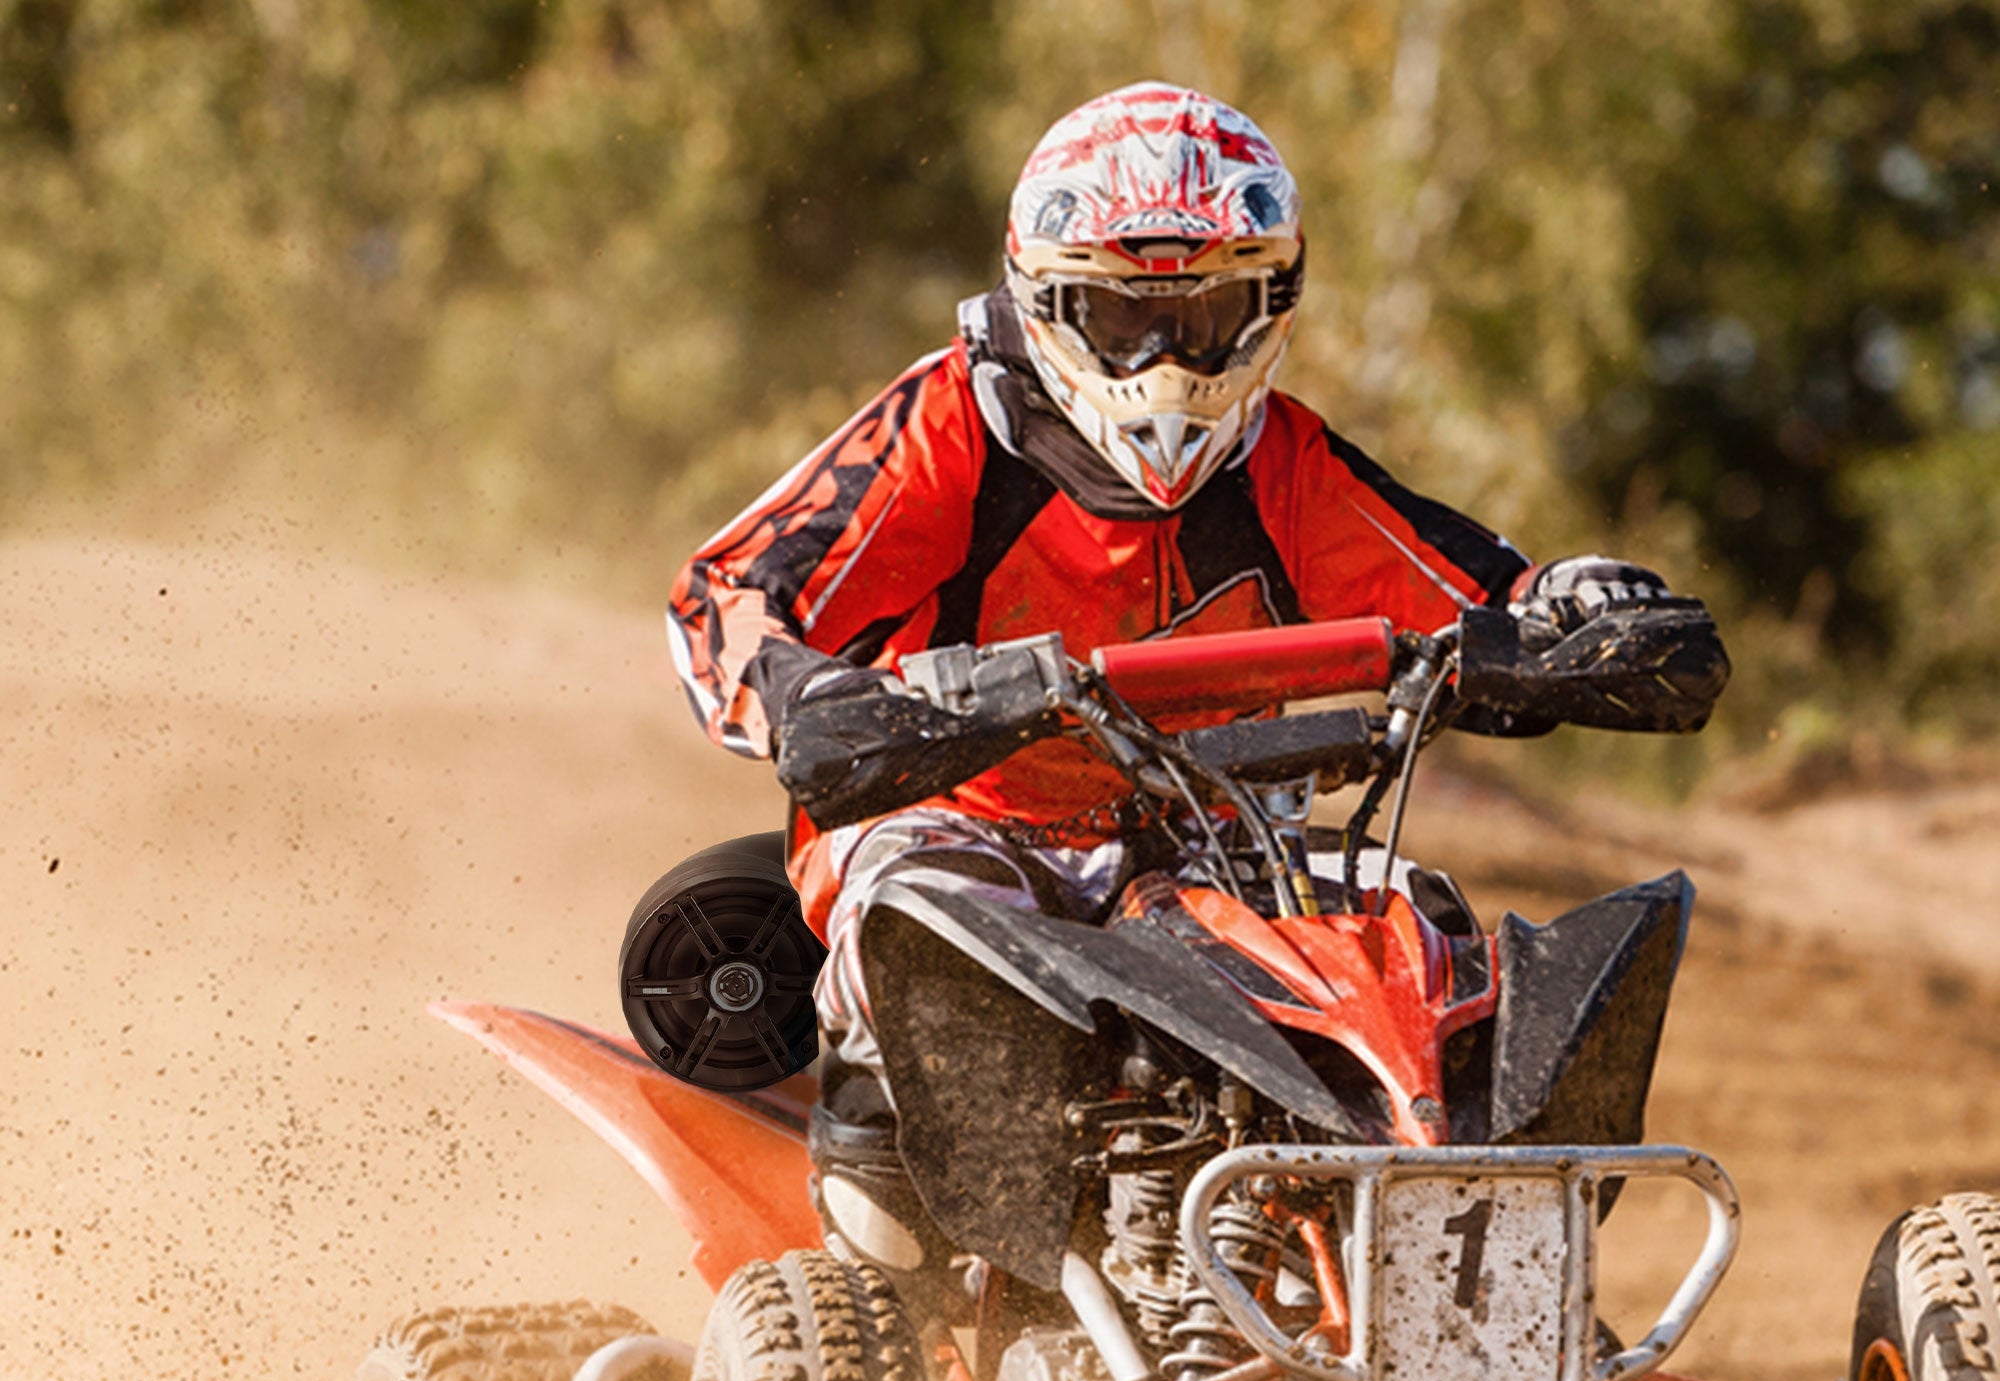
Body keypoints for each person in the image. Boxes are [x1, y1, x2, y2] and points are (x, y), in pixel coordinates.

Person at [665, 81, 1716, 1291]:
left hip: (1205, 842)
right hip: (958, 815)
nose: (1164, 360)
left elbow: (1474, 588)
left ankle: (1456, 1294)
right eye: (1122, 318)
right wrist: (801, 693)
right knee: (924, 923)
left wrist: (1580, 610)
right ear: (1046, 303)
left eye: (1204, 314)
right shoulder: (950, 426)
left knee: (1412, 937)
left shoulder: (1283, 465)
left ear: (1267, 304)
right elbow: (724, 590)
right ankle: (874, 1304)